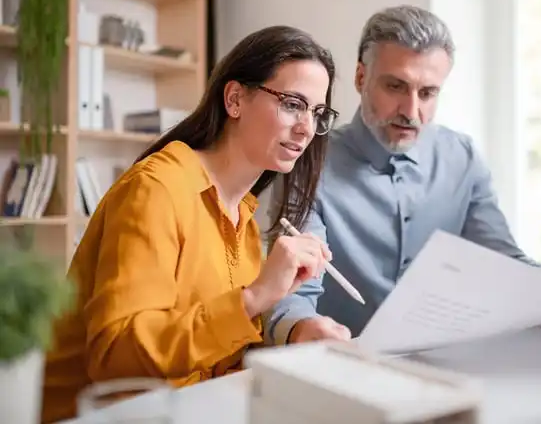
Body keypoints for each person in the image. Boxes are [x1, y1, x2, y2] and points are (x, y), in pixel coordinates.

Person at [263, 5, 541, 345]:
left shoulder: (462, 157)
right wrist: (302, 329)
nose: (411, 110)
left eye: (428, 92)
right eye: (395, 86)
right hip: (347, 370)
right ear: (361, 77)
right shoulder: (309, 160)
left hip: (451, 370)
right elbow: (294, 288)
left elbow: (507, 266)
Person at [41, 26, 340, 423]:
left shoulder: (244, 220)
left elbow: (215, 355)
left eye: (317, 113)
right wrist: (253, 298)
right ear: (235, 99)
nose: (306, 128)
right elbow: (113, 357)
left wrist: (297, 333)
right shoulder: (157, 189)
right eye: (292, 104)